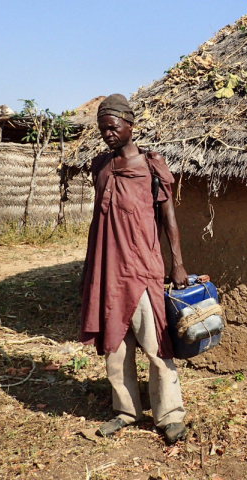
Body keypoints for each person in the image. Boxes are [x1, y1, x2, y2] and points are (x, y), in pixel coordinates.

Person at [79, 93, 189, 444]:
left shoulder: (151, 168)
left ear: (130, 124)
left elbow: (168, 218)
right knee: (116, 344)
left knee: (156, 343)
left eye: (113, 127)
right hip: (109, 270)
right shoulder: (101, 167)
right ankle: (125, 411)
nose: (107, 134)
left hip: (142, 268)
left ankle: (169, 415)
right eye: (102, 129)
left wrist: (178, 264)